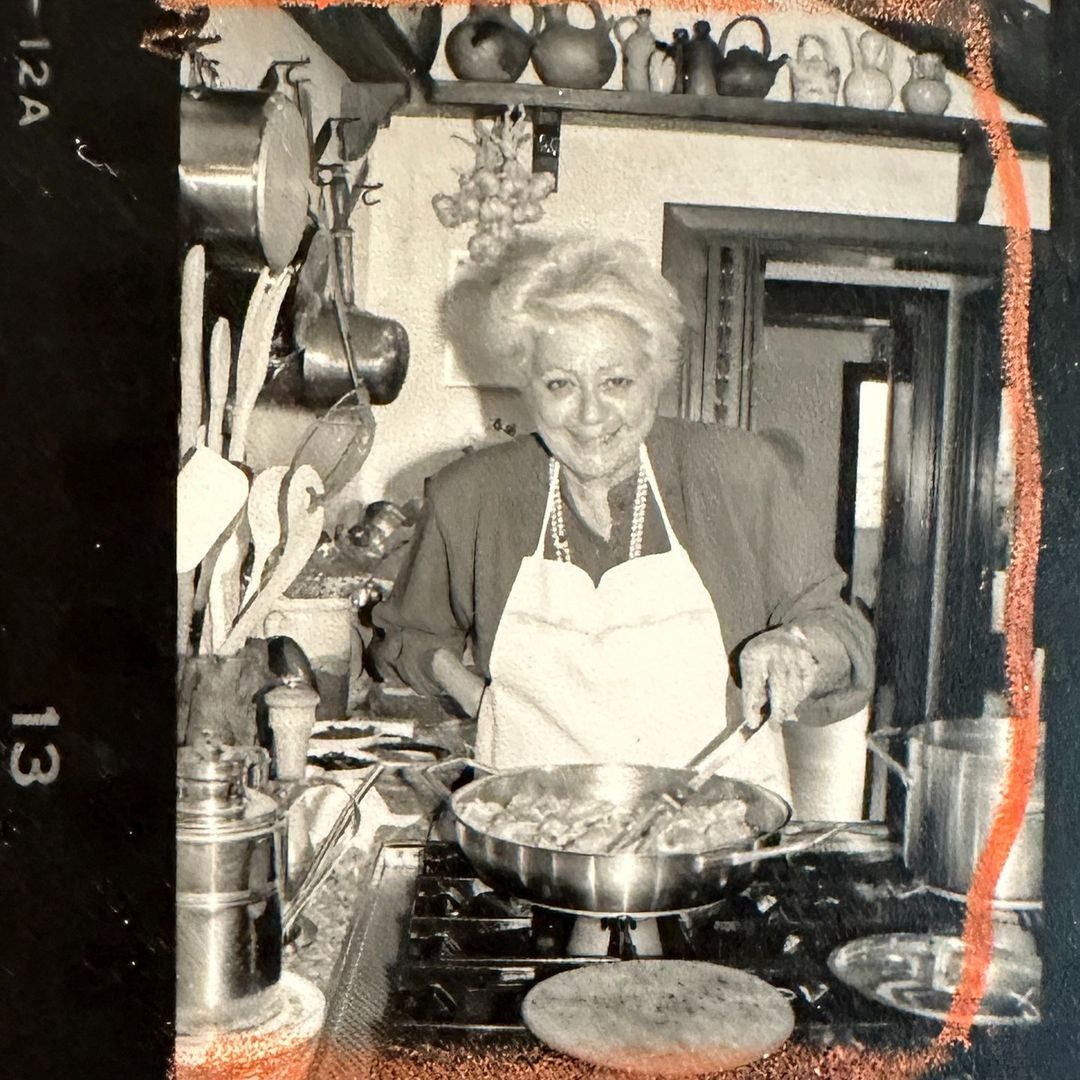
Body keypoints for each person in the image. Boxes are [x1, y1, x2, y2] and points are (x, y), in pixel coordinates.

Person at [370, 237, 874, 803]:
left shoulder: (735, 473)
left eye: (616, 382)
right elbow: (406, 636)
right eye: (560, 384)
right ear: (526, 385)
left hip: (714, 832)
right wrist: (479, 698)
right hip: (531, 833)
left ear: (654, 375)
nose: (589, 415)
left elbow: (844, 633)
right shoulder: (472, 496)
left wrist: (800, 648)